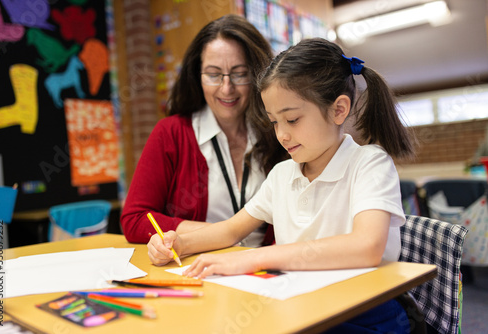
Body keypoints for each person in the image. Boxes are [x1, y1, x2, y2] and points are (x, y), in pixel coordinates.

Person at [148, 38, 416, 333]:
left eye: (292, 119)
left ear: (339, 110)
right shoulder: (281, 175)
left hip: (364, 313)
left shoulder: (369, 164)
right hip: (302, 304)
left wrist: (254, 258)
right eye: (275, 122)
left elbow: (367, 247)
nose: (282, 135)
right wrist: (179, 244)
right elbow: (231, 230)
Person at [120, 14, 287, 246]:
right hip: (202, 270)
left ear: (257, 75)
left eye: (239, 73)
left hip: (268, 271)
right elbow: (135, 219)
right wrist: (222, 235)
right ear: (196, 76)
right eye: (213, 74)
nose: (226, 88)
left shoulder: (279, 132)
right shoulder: (171, 133)